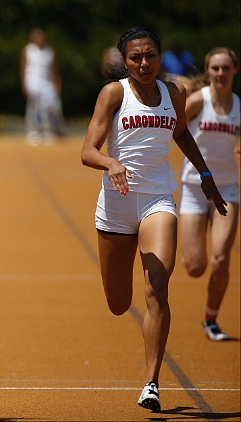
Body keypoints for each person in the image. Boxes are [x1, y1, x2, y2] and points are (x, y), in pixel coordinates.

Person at [80, 27, 226, 412]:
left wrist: (206, 176)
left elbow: (181, 133)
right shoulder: (115, 94)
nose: (144, 63)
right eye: (135, 57)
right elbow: (87, 150)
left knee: (157, 287)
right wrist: (110, 162)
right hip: (116, 204)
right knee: (118, 302)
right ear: (124, 61)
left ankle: (151, 383)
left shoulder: (173, 94)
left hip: (157, 199)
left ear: (160, 57)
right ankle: (147, 369)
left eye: (151, 56)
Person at [177, 47, 239, 341]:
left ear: (234, 71)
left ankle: (211, 320)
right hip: (193, 187)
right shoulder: (197, 102)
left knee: (221, 260)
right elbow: (174, 130)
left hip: (226, 189)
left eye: (226, 68)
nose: (220, 74)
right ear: (208, 71)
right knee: (196, 266)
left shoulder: (239, 106)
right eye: (215, 68)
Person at [21, 28, 62, 145]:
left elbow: (54, 69)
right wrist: (24, 83)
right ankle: (34, 132)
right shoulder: (28, 50)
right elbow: (23, 67)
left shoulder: (50, 51)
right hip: (32, 81)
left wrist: (57, 83)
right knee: (35, 108)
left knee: (50, 107)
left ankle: (49, 131)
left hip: (47, 83)